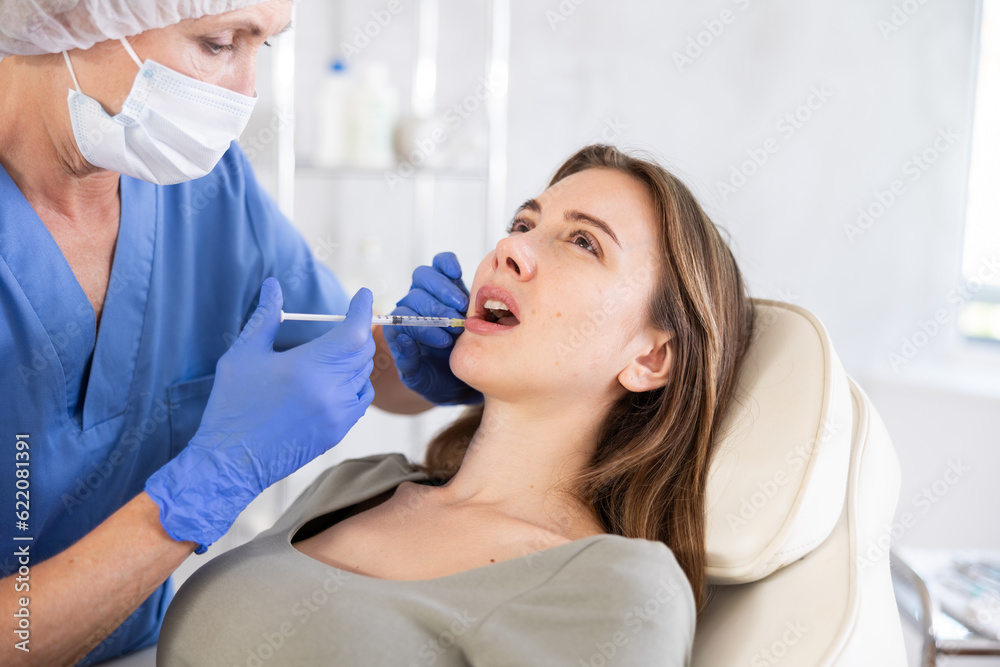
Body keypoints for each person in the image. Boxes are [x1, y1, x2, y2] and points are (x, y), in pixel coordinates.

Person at [0, 1, 479, 664]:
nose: (248, 93)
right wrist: (203, 486)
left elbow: (357, 361)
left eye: (266, 47)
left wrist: (424, 353)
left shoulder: (205, 193)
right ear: (72, 18)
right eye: (219, 42)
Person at [156, 144, 758, 666]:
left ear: (652, 359)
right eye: (523, 224)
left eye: (583, 241)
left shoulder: (617, 585)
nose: (510, 249)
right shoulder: (358, 484)